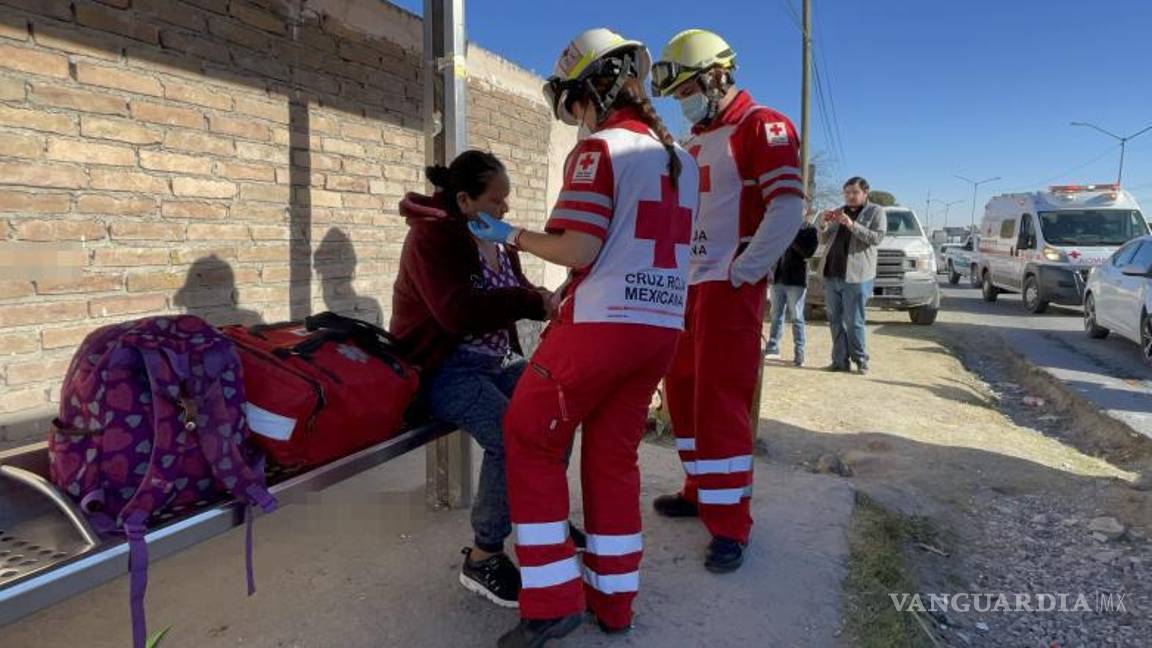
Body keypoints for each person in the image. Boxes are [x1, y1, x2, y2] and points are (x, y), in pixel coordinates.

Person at [469, 28, 698, 646]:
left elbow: (579, 246)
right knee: (612, 459)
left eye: (572, 102)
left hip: (602, 327)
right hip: (660, 330)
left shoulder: (600, 150)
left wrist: (509, 234)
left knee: (528, 436)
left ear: (592, 86)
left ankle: (550, 603)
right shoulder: (684, 161)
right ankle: (614, 601)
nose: (573, 116)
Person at [649, 29, 805, 572]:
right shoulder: (695, 139)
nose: (684, 100)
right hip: (687, 286)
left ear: (718, 76)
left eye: (688, 87)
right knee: (684, 396)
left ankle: (731, 524)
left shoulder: (763, 125)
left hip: (727, 288)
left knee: (721, 405)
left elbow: (788, 208)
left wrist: (744, 274)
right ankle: (699, 490)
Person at [390, 150, 556, 609]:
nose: (505, 210)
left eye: (507, 200)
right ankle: (483, 555)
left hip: (496, 361)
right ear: (464, 200)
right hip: (443, 368)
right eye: (497, 200)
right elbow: (455, 312)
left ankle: (543, 521)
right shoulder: (432, 237)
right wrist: (531, 301)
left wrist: (538, 298)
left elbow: (516, 293)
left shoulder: (496, 238)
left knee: (552, 408)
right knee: (509, 435)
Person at [816, 176, 886, 374]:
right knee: (834, 320)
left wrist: (852, 225)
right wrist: (823, 224)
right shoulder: (839, 211)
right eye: (847, 193)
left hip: (857, 276)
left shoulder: (876, 212)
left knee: (854, 321)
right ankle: (839, 361)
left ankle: (861, 360)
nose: (850, 196)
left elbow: (877, 238)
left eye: (855, 192)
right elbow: (823, 238)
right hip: (832, 274)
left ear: (865, 193)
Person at [766, 219, 819, 366]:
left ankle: (799, 352)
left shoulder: (809, 229)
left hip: (796, 281)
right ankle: (773, 347)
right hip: (777, 278)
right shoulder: (779, 224)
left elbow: (808, 253)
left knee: (796, 316)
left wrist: (791, 235)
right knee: (776, 314)